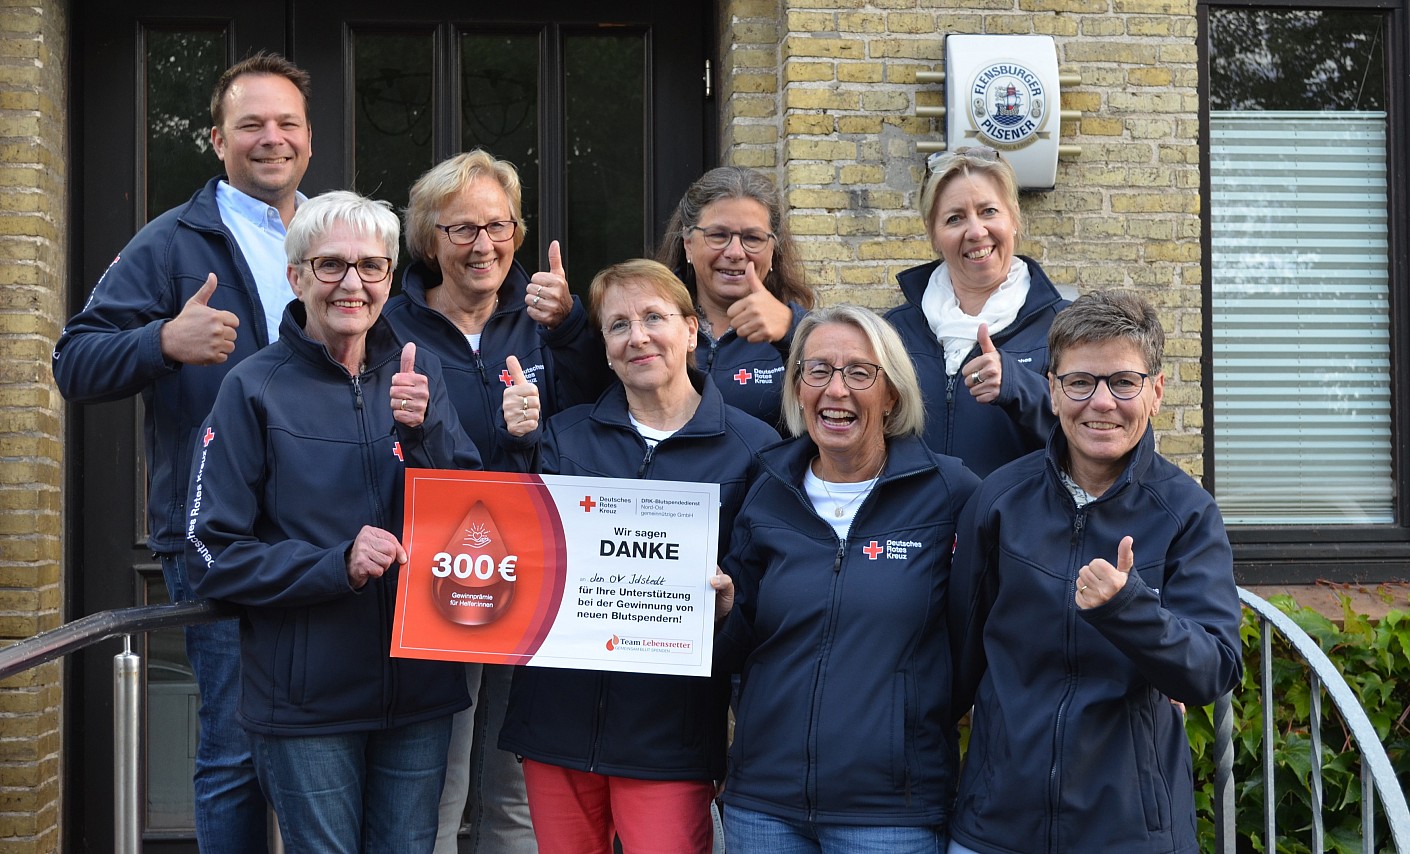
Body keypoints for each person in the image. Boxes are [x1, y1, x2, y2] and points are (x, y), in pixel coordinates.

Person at [52, 50, 314, 852]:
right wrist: (163, 340)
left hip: (332, 534)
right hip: (217, 537)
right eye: (250, 124)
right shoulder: (170, 242)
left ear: (309, 136)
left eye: (287, 123)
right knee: (235, 750)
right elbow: (74, 362)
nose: (271, 138)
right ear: (217, 139)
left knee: (324, 743)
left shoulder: (340, 230)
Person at [185, 190, 483, 851]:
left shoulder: (418, 373)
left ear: (389, 277)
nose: (353, 283)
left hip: (419, 691)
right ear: (296, 277)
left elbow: (473, 516)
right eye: (331, 265)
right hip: (307, 704)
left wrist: (426, 430)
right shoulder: (252, 388)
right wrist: (335, 564)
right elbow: (210, 554)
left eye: (371, 266)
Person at [497, 258, 780, 854]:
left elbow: (764, 597)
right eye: (619, 325)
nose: (638, 337)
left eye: (654, 317)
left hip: (669, 735)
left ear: (691, 329)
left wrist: (729, 606)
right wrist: (515, 446)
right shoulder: (564, 436)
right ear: (604, 349)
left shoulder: (753, 450)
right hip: (557, 722)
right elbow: (515, 557)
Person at [946, 290, 1243, 854]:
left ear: (1156, 391)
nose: (1101, 402)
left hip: (1130, 832)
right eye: (1080, 382)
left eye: (1123, 382)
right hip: (996, 825)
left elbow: (1212, 670)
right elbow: (957, 658)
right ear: (1053, 390)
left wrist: (1128, 610)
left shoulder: (1186, 513)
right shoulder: (1000, 499)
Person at [384, 148, 604, 853]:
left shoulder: (545, 318)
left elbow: (601, 419)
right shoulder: (390, 325)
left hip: (534, 569)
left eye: (499, 226)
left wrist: (571, 327)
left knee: (516, 781)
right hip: (432, 577)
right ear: (429, 240)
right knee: (437, 780)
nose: (484, 245)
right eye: (462, 229)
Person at [715, 305, 981, 853]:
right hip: (765, 803)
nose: (835, 390)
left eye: (859, 372)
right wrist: (721, 615)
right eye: (818, 370)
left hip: (890, 810)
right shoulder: (766, 487)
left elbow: (980, 631)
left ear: (892, 395)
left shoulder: (949, 492)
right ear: (797, 388)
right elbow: (739, 647)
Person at [885, 146, 1071, 478]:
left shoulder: (1066, 328)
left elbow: (1095, 434)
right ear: (933, 234)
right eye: (954, 218)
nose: (975, 231)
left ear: (1013, 218)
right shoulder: (894, 332)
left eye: (988, 211)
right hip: (917, 514)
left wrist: (1017, 386)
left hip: (1017, 513)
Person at [656, 165, 815, 429]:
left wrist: (793, 331)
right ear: (688, 243)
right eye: (718, 235)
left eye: (752, 238)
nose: (735, 252)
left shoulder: (803, 333)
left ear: (773, 249)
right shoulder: (646, 325)